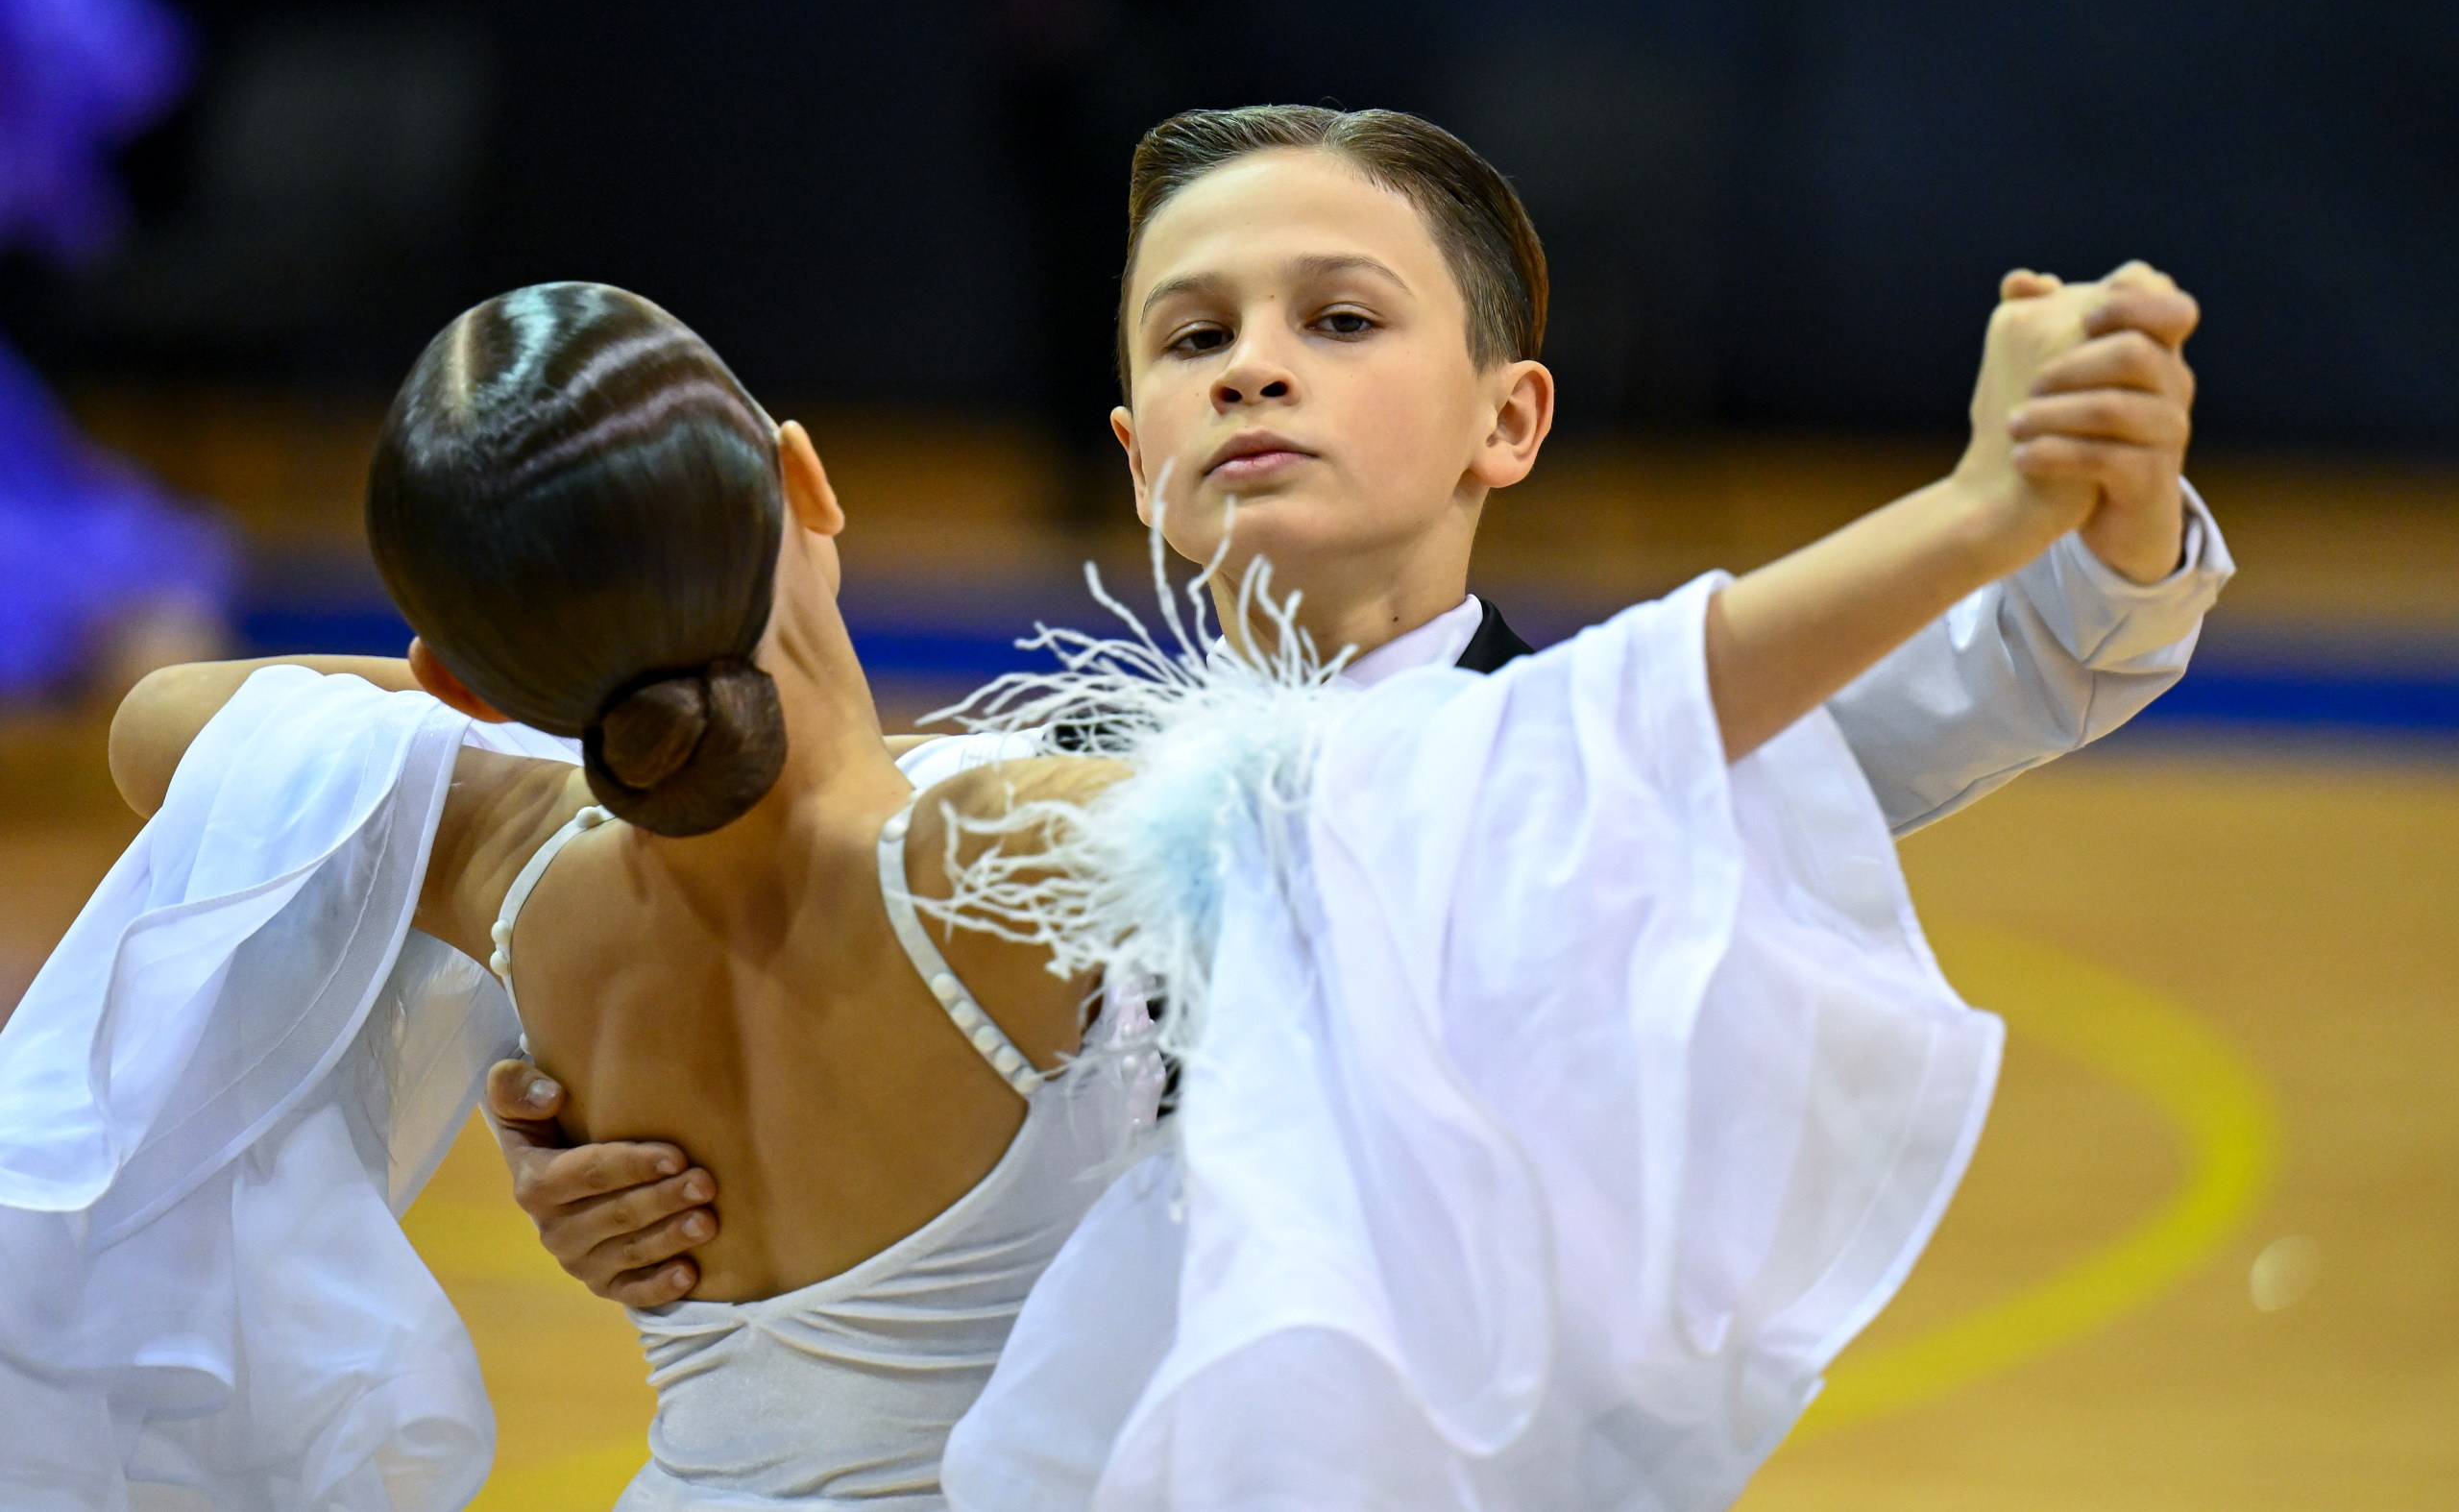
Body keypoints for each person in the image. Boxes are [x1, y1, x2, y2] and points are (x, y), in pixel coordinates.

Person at [0, 238, 2195, 1507]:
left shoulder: (500, 858)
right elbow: (1609, 728)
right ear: (807, 481)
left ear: (444, 658)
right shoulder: (1045, 850)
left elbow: (173, 725)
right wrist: (1989, 500)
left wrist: (504, 712)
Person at [501, 105, 2227, 1313]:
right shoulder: (989, 793)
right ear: (1133, 456)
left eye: (1339, 318)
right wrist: (609, 1160)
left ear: (1511, 419)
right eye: (1190, 339)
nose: (1253, 364)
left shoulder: (1622, 748)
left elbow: (2029, 655)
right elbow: (760, 1026)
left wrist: (2109, 482)